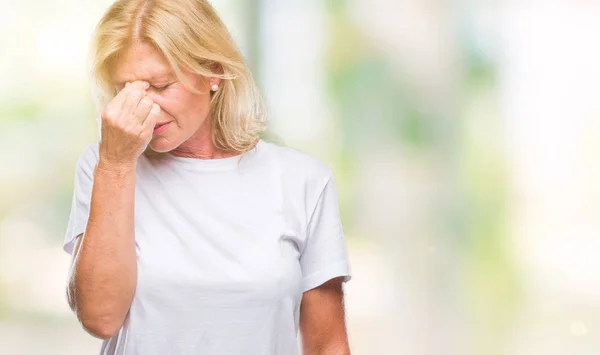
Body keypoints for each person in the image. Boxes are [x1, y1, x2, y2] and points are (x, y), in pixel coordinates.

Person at [62, 0, 352, 354]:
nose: (145, 108)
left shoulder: (303, 181)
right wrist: (117, 164)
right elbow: (99, 318)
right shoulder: (104, 165)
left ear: (213, 71)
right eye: (127, 89)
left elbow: (327, 346)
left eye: (161, 84)